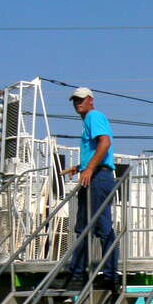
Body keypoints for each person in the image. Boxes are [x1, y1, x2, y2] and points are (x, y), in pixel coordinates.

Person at [52, 87, 120, 291]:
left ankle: (90, 274)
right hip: (97, 175)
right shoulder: (89, 120)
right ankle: (94, 274)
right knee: (92, 227)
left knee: (93, 226)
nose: (77, 103)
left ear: (91, 100)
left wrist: (89, 168)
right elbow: (98, 148)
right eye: (74, 100)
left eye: (81, 99)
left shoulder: (94, 115)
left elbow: (105, 142)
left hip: (98, 177)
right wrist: (79, 167)